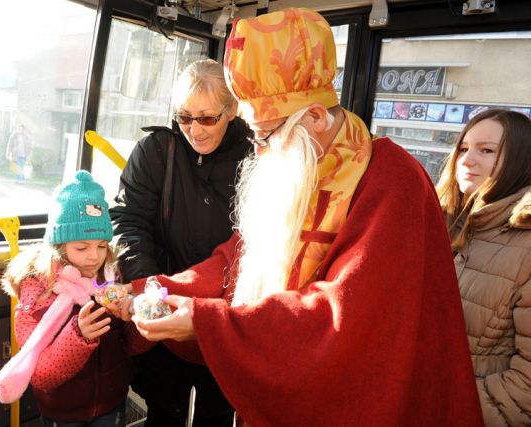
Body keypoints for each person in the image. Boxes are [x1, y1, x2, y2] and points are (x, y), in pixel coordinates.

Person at [121, 8, 484, 426]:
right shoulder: (305, 163)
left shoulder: (393, 180)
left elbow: (341, 321)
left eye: (265, 136)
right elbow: (239, 261)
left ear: (313, 117)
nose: (257, 151)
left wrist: (206, 323)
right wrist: (154, 290)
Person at [109, 59, 252, 426]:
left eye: (207, 118)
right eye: (184, 117)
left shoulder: (256, 157)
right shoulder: (157, 150)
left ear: (232, 109)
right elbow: (128, 220)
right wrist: (149, 289)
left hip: (224, 314)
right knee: (163, 409)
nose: (194, 130)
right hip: (163, 305)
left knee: (218, 413)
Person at [0, 170, 130, 426]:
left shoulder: (110, 277)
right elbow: (41, 375)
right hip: (62, 411)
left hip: (111, 404)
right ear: (58, 246)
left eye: (102, 246)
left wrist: (136, 317)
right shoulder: (38, 292)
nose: (95, 256)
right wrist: (79, 334)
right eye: (81, 247)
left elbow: (128, 347)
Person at [436, 109, 531, 426]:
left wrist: (443, 404)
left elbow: (525, 388)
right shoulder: (446, 221)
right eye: (463, 148)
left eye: (486, 150)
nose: (466, 160)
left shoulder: (526, 246)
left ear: (521, 160)